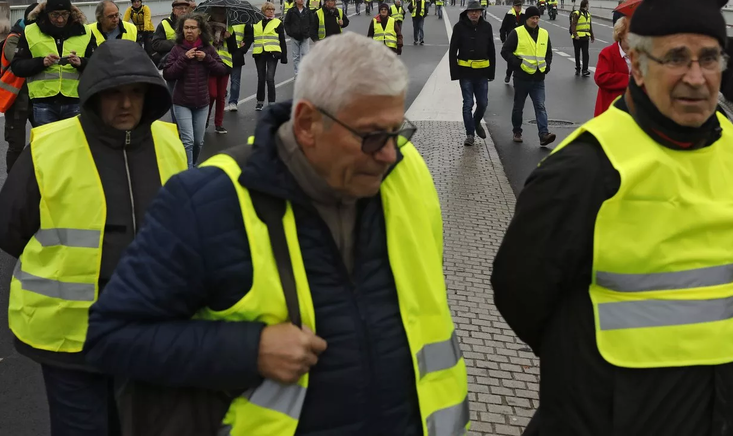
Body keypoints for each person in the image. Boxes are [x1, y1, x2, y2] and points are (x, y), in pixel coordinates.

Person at [84, 34, 469, 436]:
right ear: (306, 124)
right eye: (371, 136)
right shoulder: (209, 202)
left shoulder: (409, 174)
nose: (390, 154)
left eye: (397, 132)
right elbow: (111, 337)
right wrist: (248, 350)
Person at [492, 0, 733, 435]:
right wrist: (588, 374)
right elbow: (519, 291)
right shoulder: (585, 167)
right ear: (637, 66)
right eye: (676, 58)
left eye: (710, 58)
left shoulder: (731, 145)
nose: (697, 77)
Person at [0, 40, 186, 436]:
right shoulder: (50, 145)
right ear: (94, 95)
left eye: (135, 92)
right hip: (70, 337)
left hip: (145, 332)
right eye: (114, 93)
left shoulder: (169, 142)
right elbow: (8, 229)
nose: (126, 104)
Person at [10, 0, 95, 127]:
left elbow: (97, 66)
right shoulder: (30, 31)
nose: (60, 19)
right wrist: (41, 62)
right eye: (55, 15)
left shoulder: (85, 32)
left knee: (71, 147)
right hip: (43, 102)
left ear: (71, 13)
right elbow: (17, 67)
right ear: (47, 13)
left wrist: (81, 62)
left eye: (64, 14)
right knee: (47, 147)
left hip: (74, 101)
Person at [162, 13, 229, 169]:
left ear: (200, 31)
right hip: (182, 102)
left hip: (202, 103)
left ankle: (194, 163)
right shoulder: (177, 50)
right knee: (188, 140)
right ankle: (189, 169)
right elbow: (168, 74)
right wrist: (184, 59)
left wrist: (207, 58)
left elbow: (222, 70)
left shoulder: (208, 49)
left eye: (193, 28)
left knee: (198, 141)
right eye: (186, 28)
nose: (189, 31)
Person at [501, 6, 555, 146]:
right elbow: (505, 51)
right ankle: (517, 131)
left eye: (537, 18)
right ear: (527, 18)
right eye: (532, 18)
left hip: (538, 78)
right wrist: (517, 63)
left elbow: (548, 52)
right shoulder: (517, 33)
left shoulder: (544, 33)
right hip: (521, 77)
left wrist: (547, 66)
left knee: (540, 106)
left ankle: (544, 134)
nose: (535, 21)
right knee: (519, 107)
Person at [0, 2, 38, 172]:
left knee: (44, 141)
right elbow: (18, 60)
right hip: (15, 100)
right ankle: (13, 183)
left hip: (35, 97)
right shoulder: (13, 38)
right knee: (16, 146)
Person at [450, 0, 496, 147]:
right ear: (467, 13)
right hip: (465, 73)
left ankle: (475, 123)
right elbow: (452, 51)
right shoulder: (459, 27)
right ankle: (470, 134)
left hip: (482, 73)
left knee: (483, 103)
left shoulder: (487, 27)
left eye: (477, 11)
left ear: (481, 13)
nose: (475, 13)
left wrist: (492, 72)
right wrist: (454, 73)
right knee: (468, 104)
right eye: (472, 11)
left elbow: (491, 50)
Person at [206, 9, 239, 135]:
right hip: (211, 64)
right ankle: (204, 120)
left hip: (225, 64)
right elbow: (203, 44)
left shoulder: (229, 27)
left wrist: (229, 38)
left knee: (220, 96)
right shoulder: (206, 27)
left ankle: (218, 124)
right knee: (211, 94)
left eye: (221, 13)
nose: (219, 16)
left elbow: (233, 49)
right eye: (217, 12)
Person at [251, 1, 287, 111]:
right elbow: (251, 37)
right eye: (269, 10)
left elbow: (282, 40)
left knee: (270, 78)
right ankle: (260, 101)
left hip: (272, 54)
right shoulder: (256, 23)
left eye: (273, 10)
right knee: (261, 78)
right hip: (259, 53)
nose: (271, 11)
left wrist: (284, 56)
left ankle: (272, 102)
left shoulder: (277, 22)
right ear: (263, 11)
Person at [592, 14, 630, 116]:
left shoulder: (642, 55)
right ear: (621, 33)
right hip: (610, 111)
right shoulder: (608, 53)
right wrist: (629, 80)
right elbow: (601, 77)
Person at [150, 0, 192, 66]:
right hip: (171, 60)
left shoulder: (193, 23)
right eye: (181, 8)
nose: (184, 11)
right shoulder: (164, 24)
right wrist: (177, 42)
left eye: (186, 8)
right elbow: (156, 44)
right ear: (174, 10)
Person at [283, 0, 312, 74]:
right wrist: (290, 33)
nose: (301, 0)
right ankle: (297, 73)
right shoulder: (291, 11)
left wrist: (309, 33)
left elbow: (312, 23)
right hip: (294, 36)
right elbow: (286, 23)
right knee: (296, 57)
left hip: (305, 36)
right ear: (295, 0)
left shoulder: (307, 11)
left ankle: (305, 73)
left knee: (305, 55)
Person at [499, 0, 525, 85]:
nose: (518, 7)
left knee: (522, 59)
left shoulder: (525, 15)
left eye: (519, 6)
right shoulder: (509, 15)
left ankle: (519, 77)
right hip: (511, 41)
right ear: (513, 6)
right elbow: (503, 28)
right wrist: (503, 40)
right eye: (517, 6)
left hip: (523, 41)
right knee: (511, 60)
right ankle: (508, 74)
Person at [569, 0, 594, 77]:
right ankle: (578, 68)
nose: (588, 5)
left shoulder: (588, 14)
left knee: (585, 54)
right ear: (586, 5)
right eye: (588, 4)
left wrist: (592, 36)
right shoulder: (577, 13)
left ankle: (585, 70)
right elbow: (573, 25)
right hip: (577, 37)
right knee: (577, 54)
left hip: (585, 37)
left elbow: (589, 26)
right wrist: (575, 34)